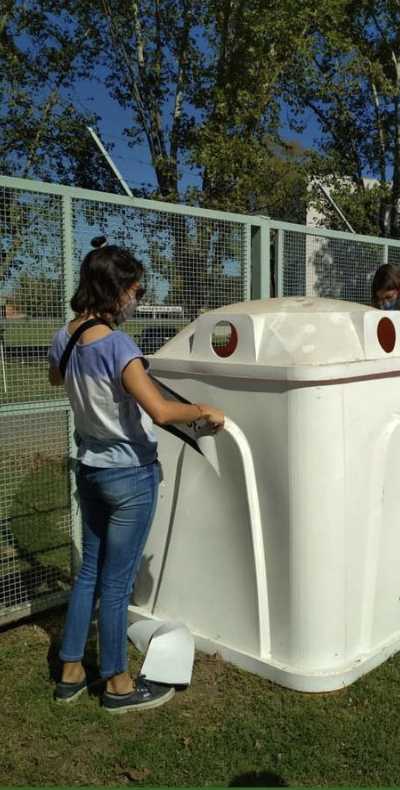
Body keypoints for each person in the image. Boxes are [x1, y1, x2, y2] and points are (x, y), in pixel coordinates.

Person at [48, 236, 224, 713]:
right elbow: (162, 411)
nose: (135, 300)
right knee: (117, 585)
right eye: (135, 291)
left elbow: (54, 378)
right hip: (129, 476)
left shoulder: (65, 337)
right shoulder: (119, 345)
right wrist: (205, 409)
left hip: (90, 469)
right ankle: (117, 683)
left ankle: (69, 671)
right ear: (115, 289)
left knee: (90, 572)